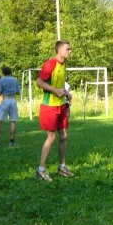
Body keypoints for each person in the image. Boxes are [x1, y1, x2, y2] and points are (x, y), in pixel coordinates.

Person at [35, 40, 74, 182]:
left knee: (64, 137)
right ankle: (41, 170)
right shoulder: (50, 63)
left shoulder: (63, 65)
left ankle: (62, 167)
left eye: (70, 49)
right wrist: (56, 91)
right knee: (51, 138)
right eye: (68, 49)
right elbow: (39, 82)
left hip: (61, 106)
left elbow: (59, 83)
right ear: (59, 50)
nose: (70, 51)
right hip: (49, 107)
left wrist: (66, 93)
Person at [0, 66, 21, 148]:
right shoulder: (15, 80)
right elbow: (18, 92)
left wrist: (4, 91)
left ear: (3, 73)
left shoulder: (2, 80)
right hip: (13, 100)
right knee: (13, 121)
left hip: (5, 100)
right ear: (10, 72)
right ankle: (12, 141)